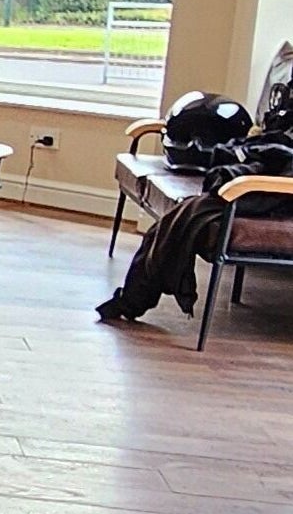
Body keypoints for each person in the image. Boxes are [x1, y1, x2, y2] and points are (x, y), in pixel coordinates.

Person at [101, 50, 293, 322]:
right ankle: (135, 297)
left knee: (192, 211)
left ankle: (135, 297)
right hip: (255, 178)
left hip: (273, 191)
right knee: (187, 211)